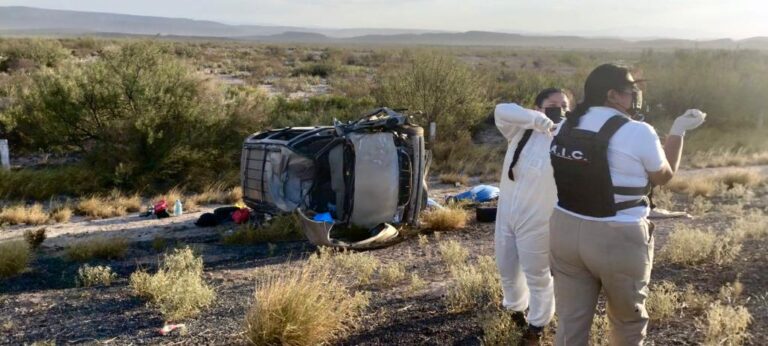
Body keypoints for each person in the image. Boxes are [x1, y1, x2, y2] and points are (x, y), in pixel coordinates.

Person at [548, 63, 706, 345]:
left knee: (571, 322)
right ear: (613, 95)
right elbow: (664, 175)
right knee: (627, 323)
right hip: (617, 236)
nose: (636, 96)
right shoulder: (638, 131)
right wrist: (678, 130)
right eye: (632, 90)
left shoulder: (565, 124)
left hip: (564, 229)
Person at [494, 88, 570, 344]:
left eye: (564, 104)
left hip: (539, 218)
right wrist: (536, 120)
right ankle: (515, 308)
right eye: (553, 104)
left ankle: (537, 324)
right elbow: (502, 110)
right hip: (507, 214)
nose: (559, 108)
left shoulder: (567, 135)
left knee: (537, 274)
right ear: (538, 107)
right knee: (507, 267)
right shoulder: (519, 131)